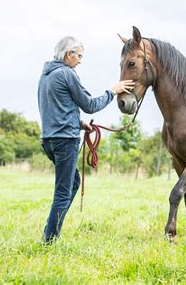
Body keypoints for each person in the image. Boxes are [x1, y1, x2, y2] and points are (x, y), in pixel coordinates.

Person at [37, 36, 134, 244]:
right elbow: (90, 105)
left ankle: (51, 231)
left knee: (72, 183)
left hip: (49, 139)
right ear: (68, 55)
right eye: (79, 56)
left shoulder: (46, 75)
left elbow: (56, 108)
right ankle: (49, 239)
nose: (80, 60)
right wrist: (112, 91)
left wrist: (80, 124)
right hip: (65, 141)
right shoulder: (67, 73)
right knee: (63, 190)